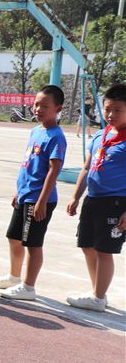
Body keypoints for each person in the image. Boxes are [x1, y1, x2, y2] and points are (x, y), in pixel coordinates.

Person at [0, 85, 67, 301]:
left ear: (58, 108)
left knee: (32, 243)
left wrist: (41, 201)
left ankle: (29, 287)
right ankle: (14, 277)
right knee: (13, 237)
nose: (38, 109)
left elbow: (54, 170)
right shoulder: (36, 131)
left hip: (39, 199)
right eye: (36, 104)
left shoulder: (56, 136)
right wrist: (19, 191)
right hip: (25, 195)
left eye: (45, 106)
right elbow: (28, 165)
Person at [65, 84, 126, 311]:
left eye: (118, 110)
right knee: (88, 246)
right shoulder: (101, 134)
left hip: (115, 202)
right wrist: (76, 196)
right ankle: (97, 292)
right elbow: (87, 167)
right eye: (108, 109)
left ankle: (98, 298)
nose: (111, 115)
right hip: (93, 198)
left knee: (104, 250)